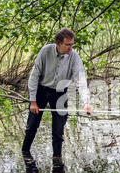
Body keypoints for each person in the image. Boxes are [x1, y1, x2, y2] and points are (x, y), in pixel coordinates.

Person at [22, 28, 92, 157]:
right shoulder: (45, 51)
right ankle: (25, 152)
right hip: (41, 90)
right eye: (67, 45)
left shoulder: (74, 56)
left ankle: (57, 160)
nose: (71, 48)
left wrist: (86, 102)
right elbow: (34, 76)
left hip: (60, 92)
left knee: (58, 131)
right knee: (31, 126)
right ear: (58, 43)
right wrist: (33, 101)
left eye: (72, 44)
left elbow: (80, 79)